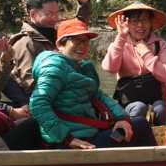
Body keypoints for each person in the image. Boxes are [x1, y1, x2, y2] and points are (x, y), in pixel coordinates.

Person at [30, 19, 155, 149]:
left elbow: (99, 95)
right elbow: (38, 104)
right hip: (70, 143)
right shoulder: (54, 67)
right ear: (60, 44)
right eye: (76, 40)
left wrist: (122, 118)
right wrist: (68, 139)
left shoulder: (78, 66)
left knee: (132, 126)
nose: (82, 45)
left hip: (88, 134)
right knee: (141, 125)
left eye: (86, 41)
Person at [9, 0, 92, 96]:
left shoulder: (51, 33)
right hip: (45, 100)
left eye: (57, 14)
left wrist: (83, 2)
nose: (55, 18)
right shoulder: (26, 42)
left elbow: (77, 30)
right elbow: (31, 84)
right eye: (50, 14)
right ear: (33, 14)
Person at [101, 2, 166, 126]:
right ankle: (133, 134)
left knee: (161, 108)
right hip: (129, 102)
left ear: (150, 23)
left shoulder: (161, 45)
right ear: (127, 24)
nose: (140, 25)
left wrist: (146, 54)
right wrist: (120, 38)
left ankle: (164, 136)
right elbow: (110, 68)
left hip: (157, 99)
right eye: (134, 21)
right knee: (139, 107)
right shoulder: (120, 44)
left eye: (144, 20)